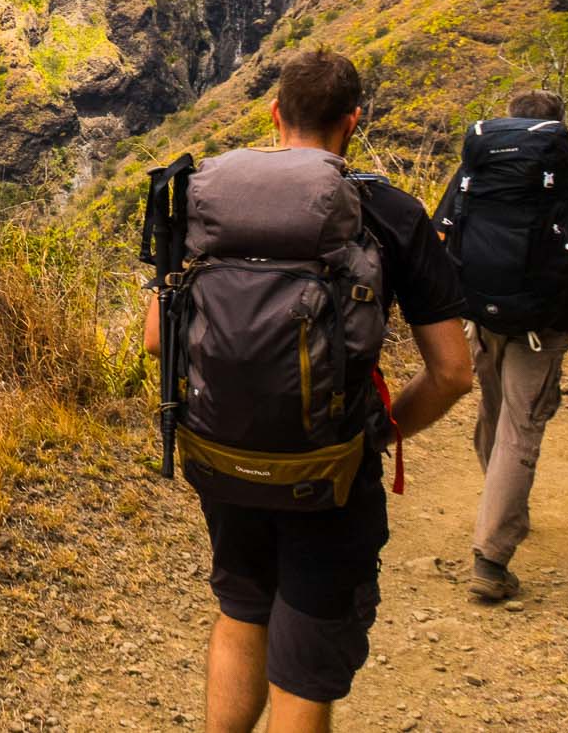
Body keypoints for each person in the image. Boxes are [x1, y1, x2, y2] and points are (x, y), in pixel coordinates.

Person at [144, 49, 473, 733]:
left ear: (274, 114)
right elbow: (452, 372)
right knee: (303, 658)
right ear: (352, 122)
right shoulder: (386, 210)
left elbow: (155, 339)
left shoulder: (207, 200)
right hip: (332, 471)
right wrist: (380, 431)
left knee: (242, 609)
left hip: (222, 455)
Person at [433, 89, 568, 603]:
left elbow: (441, 242)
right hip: (542, 323)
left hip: (479, 313)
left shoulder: (473, 179)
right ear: (558, 133)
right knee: (521, 427)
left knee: (494, 412)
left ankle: (502, 504)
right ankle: (491, 560)